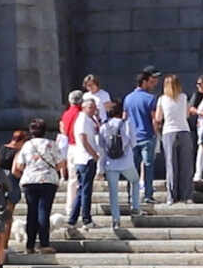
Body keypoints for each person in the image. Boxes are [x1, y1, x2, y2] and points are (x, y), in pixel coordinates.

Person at [14, 117, 66, 254]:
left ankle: (29, 245)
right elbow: (61, 164)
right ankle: (44, 243)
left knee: (31, 212)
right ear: (45, 131)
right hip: (48, 181)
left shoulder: (27, 145)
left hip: (30, 181)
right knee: (44, 211)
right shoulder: (52, 144)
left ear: (31, 131)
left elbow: (19, 165)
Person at [100, 101, 141, 229]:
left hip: (110, 163)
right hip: (126, 161)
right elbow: (133, 142)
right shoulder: (127, 123)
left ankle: (116, 220)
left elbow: (101, 146)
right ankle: (135, 206)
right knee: (135, 180)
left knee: (113, 192)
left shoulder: (104, 126)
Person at [155, 74, 194, 204]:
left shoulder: (162, 99)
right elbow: (187, 115)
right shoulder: (183, 97)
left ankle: (171, 196)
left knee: (171, 165)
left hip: (169, 131)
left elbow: (158, 118)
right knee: (186, 166)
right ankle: (186, 196)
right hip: (184, 130)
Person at [124, 69, 160, 201]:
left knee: (132, 167)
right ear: (144, 82)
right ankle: (148, 195)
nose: (152, 85)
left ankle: (131, 195)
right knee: (148, 166)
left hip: (133, 138)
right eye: (150, 82)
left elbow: (125, 118)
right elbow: (154, 119)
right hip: (147, 136)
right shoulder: (150, 98)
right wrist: (156, 134)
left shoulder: (128, 98)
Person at [68, 97, 102, 228]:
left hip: (84, 158)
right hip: (85, 159)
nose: (93, 110)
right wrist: (94, 155)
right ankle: (86, 219)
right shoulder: (82, 120)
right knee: (86, 191)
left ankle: (73, 218)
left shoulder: (89, 120)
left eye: (94, 107)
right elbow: (83, 139)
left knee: (82, 190)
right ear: (83, 107)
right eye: (90, 107)